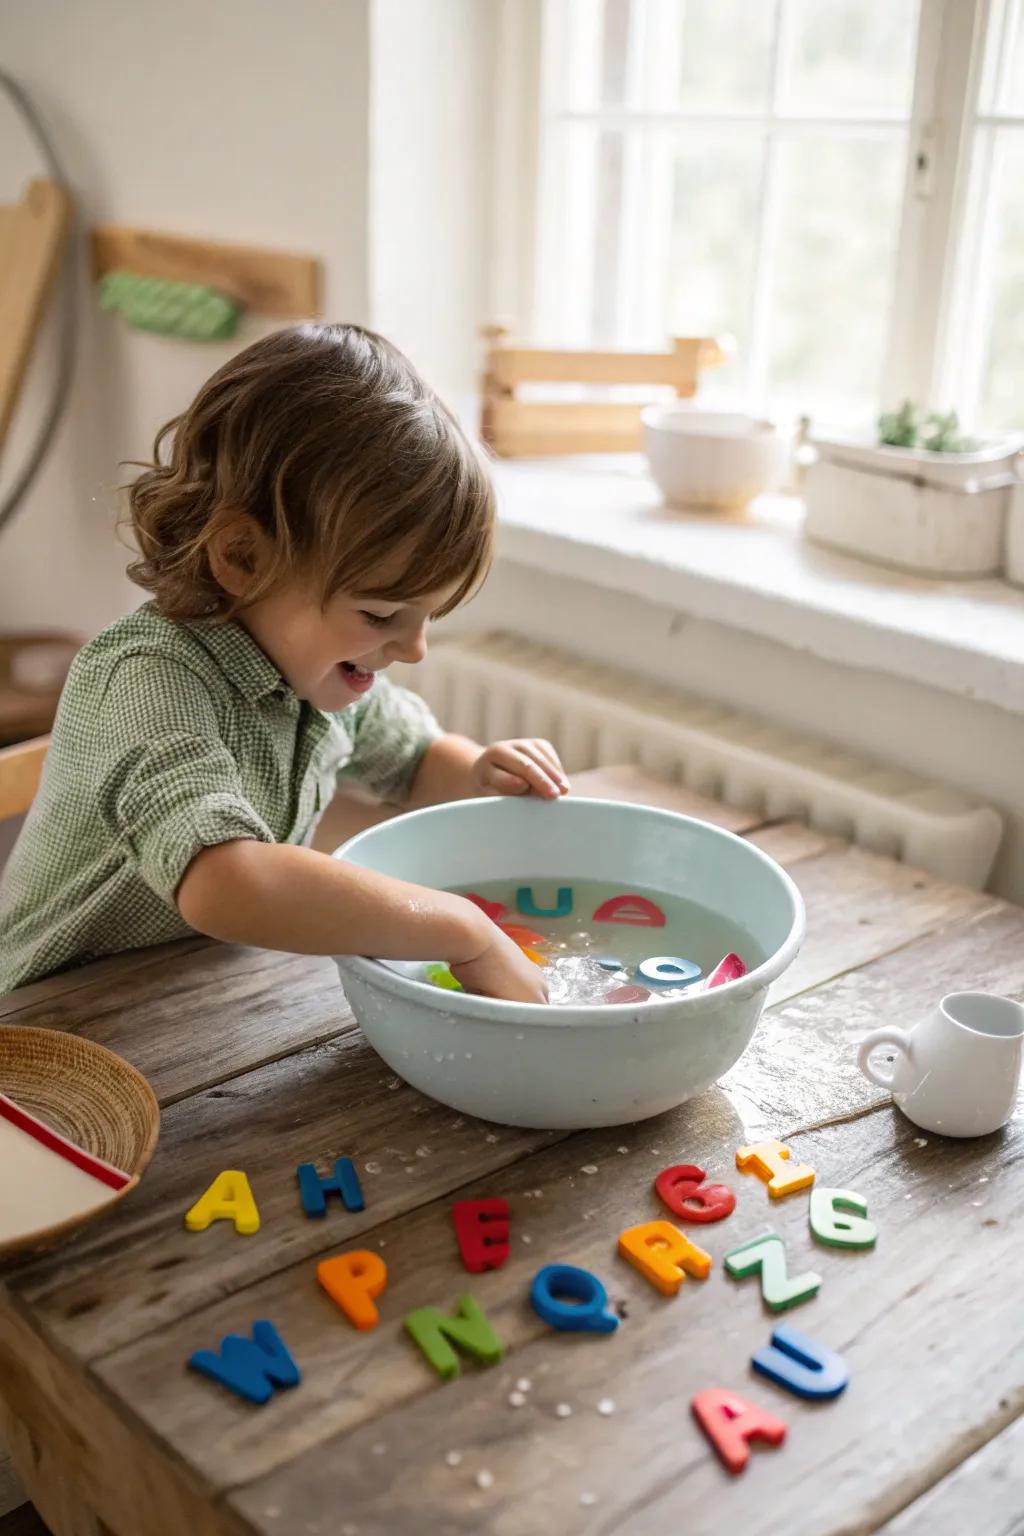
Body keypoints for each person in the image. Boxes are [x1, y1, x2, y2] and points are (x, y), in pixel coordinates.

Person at [0, 324, 569, 999]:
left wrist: (481, 772)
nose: (413, 650)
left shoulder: (318, 670)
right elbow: (225, 883)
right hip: (47, 1029)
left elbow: (414, 762)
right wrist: (459, 926)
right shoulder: (149, 680)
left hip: (184, 991)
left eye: (427, 620)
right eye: (383, 617)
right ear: (244, 558)